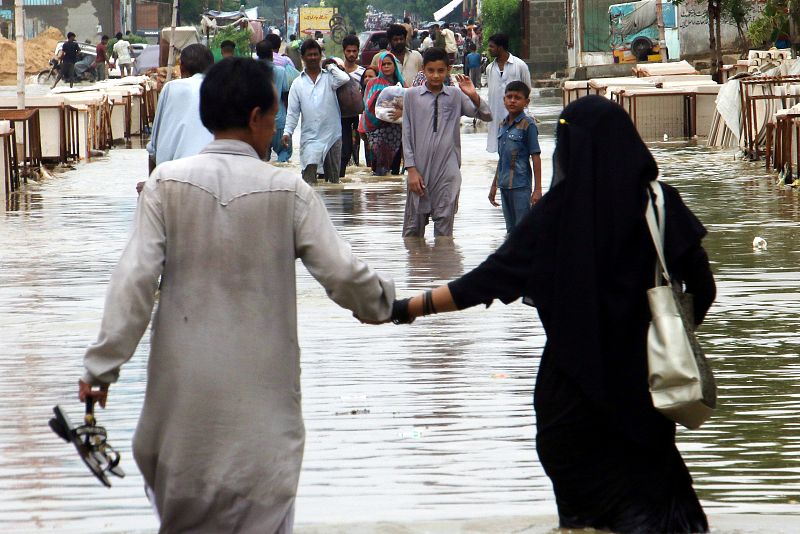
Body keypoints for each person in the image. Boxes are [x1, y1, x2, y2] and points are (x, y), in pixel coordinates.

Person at [79, 57, 395, 533]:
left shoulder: (165, 185)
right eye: (273, 117)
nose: (275, 129)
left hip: (179, 424)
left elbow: (134, 282)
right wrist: (389, 304)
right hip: (263, 431)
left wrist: (100, 368)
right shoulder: (289, 192)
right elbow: (346, 277)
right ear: (255, 117)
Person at [386, 95, 715, 534]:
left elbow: (485, 281)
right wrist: (659, 333)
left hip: (569, 403)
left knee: (583, 522)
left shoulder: (554, 217)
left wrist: (407, 308)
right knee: (657, 514)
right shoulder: (659, 205)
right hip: (643, 396)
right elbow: (704, 289)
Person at [402, 47, 492, 237]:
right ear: (423, 70)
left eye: (440, 71)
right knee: (412, 232)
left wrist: (472, 94)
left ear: (448, 70)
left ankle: (443, 258)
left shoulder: (455, 95)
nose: (435, 75)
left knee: (444, 233)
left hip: (447, 171)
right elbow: (406, 134)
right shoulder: (411, 96)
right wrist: (411, 170)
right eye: (431, 70)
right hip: (419, 171)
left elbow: (486, 115)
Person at [282, 39, 350, 184]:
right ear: (303, 57)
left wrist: (330, 65)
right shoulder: (297, 83)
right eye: (309, 55)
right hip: (310, 138)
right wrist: (287, 132)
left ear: (320, 56)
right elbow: (293, 112)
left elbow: (345, 78)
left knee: (333, 182)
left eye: (315, 54)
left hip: (332, 135)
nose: (313, 57)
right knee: (308, 181)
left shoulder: (330, 78)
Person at [146, 44, 214, 173]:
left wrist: (151, 182)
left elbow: (153, 148)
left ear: (181, 68)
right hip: (213, 170)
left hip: (173, 173)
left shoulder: (171, 88)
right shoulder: (221, 89)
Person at [488, 81, 542, 233]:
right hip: (504, 186)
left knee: (523, 230)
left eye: (517, 98)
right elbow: (502, 159)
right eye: (509, 97)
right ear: (504, 100)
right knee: (511, 231)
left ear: (526, 102)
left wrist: (537, 189)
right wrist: (494, 186)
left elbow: (536, 157)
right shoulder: (502, 125)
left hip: (521, 186)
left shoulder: (528, 125)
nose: (512, 101)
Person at [486, 33, 531, 153]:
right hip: (496, 115)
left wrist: (526, 112)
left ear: (500, 48)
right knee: (500, 148)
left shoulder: (520, 65)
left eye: (491, 46)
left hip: (517, 116)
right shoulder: (489, 68)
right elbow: (491, 93)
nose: (489, 49)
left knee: (518, 149)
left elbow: (527, 89)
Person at [363, 51, 406, 176]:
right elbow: (367, 105)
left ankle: (392, 188)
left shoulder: (401, 84)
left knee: (395, 169)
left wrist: (401, 112)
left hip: (395, 130)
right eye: (384, 64)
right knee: (380, 167)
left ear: (394, 65)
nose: (386, 66)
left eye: (389, 64)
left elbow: (410, 104)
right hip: (377, 130)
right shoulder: (373, 83)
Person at [256, 39, 292, 163]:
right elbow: (285, 96)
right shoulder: (281, 71)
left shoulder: (252, 72)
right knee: (284, 152)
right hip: (279, 121)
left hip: (259, 123)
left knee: (262, 158)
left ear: (257, 54)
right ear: (272, 53)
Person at [340, 35, 365, 173]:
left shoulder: (362, 72)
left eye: (354, 51)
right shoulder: (337, 70)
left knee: (353, 151)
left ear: (358, 51)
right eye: (348, 51)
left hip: (354, 118)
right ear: (344, 51)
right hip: (337, 117)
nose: (351, 54)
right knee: (340, 151)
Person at [357, 66, 379, 170]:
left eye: (370, 76)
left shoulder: (380, 91)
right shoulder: (360, 93)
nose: (367, 79)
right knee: (370, 165)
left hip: (378, 129)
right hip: (365, 130)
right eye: (365, 77)